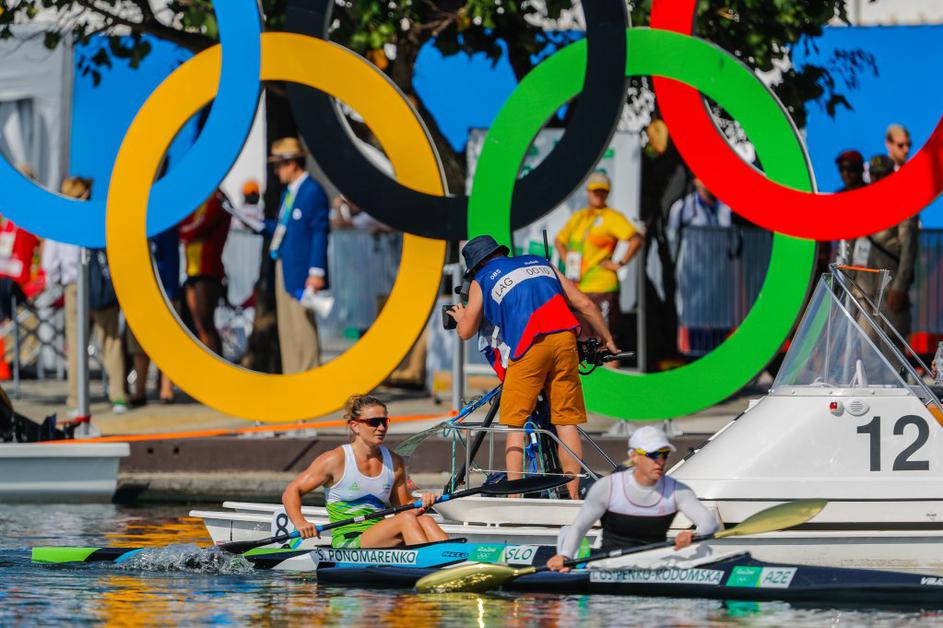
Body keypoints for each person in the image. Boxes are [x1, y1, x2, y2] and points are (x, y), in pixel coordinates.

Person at [447, 235, 618, 499]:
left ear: (476, 266)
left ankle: (515, 498)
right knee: (566, 423)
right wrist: (608, 340)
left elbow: (467, 331)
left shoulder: (483, 278)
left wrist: (461, 316)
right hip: (565, 339)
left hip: (530, 344)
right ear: (500, 253)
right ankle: (573, 497)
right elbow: (584, 304)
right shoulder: (541, 262)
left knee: (515, 425)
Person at [282, 395, 448, 548]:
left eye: (384, 421)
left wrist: (423, 502)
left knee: (426, 520)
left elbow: (404, 507)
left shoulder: (394, 462)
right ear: (355, 426)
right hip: (348, 540)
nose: (381, 427)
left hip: (381, 535)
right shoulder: (335, 460)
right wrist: (300, 523)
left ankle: (451, 560)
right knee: (406, 520)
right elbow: (292, 491)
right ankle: (432, 563)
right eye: (374, 422)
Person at [547, 426, 718, 572]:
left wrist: (694, 534)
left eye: (664, 454)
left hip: (653, 566)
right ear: (634, 456)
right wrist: (565, 556)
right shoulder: (608, 487)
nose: (660, 461)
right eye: (653, 455)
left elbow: (709, 523)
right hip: (609, 566)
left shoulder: (676, 490)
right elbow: (579, 527)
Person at [42, 177, 128, 414]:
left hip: (74, 287)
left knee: (77, 345)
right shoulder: (99, 217)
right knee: (110, 342)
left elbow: (50, 264)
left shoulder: (60, 222)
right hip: (102, 286)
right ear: (85, 194)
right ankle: (118, 396)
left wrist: (57, 282)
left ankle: (77, 400)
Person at [555, 172, 643, 347]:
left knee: (606, 342)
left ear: (608, 193)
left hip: (602, 288)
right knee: (582, 342)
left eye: (603, 191)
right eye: (595, 191)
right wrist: (568, 262)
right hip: (578, 289)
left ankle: (612, 364)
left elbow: (636, 239)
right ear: (588, 192)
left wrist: (620, 263)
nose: (599, 195)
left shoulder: (612, 217)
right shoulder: (579, 217)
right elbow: (559, 240)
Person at [265, 137, 330, 373]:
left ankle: (308, 375)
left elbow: (319, 232)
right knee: (288, 328)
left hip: (303, 271)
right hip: (285, 265)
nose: (276, 171)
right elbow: (285, 228)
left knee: (302, 326)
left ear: (292, 163)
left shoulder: (312, 191)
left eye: (279, 165)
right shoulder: (290, 192)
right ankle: (293, 375)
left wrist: (316, 271)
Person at [851, 155, 918, 337]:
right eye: (875, 175)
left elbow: (909, 248)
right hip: (863, 291)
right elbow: (852, 244)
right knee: (863, 346)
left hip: (889, 290)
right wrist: (849, 282)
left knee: (890, 346)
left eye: (883, 175)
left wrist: (900, 286)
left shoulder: (904, 203)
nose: (878, 179)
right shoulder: (862, 204)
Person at [178, 189, 230, 356]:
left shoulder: (217, 200)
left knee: (206, 324)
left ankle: (217, 363)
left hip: (208, 271)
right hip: (192, 271)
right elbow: (184, 224)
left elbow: (198, 226)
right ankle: (205, 361)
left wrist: (185, 233)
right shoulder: (197, 199)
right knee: (197, 325)